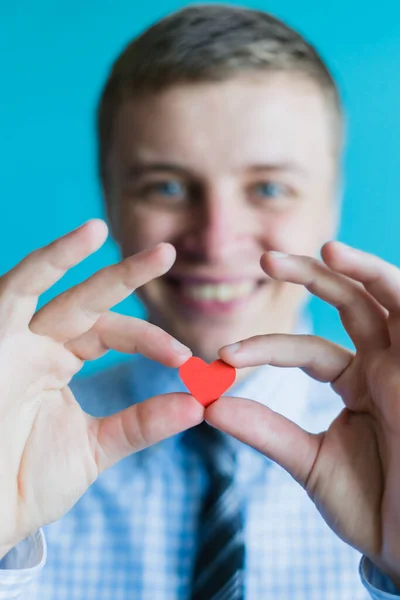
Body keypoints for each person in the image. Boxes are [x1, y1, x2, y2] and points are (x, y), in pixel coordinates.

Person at [0, 4, 399, 599]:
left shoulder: (393, 455)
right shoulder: (16, 446)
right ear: (111, 199)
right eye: (166, 186)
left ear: (332, 199)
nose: (215, 240)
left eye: (269, 187)